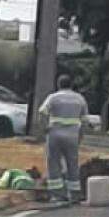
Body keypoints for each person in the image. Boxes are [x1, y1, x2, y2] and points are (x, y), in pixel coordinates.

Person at [39, 74, 90, 202]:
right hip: (72, 136)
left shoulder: (53, 98)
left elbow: (42, 112)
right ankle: (74, 194)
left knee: (54, 163)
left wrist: (45, 127)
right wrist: (80, 135)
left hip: (55, 134)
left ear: (58, 85)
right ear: (71, 85)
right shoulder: (80, 99)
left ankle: (57, 194)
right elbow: (84, 121)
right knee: (72, 163)